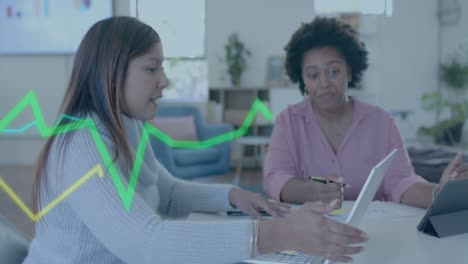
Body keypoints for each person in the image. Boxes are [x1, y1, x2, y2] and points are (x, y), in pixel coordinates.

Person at [22, 17, 368, 264]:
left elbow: (166, 191)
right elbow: (146, 245)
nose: (165, 81)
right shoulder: (82, 142)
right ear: (110, 72)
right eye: (152, 68)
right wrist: (276, 236)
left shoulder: (128, 125)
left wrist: (234, 195)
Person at [264, 17, 468, 209]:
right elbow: (275, 178)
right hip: (311, 232)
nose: (324, 83)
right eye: (313, 75)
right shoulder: (289, 122)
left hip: (374, 234)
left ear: (350, 71)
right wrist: (313, 191)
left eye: (334, 71)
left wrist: (437, 193)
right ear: (302, 80)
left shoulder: (382, 122)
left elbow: (402, 181)